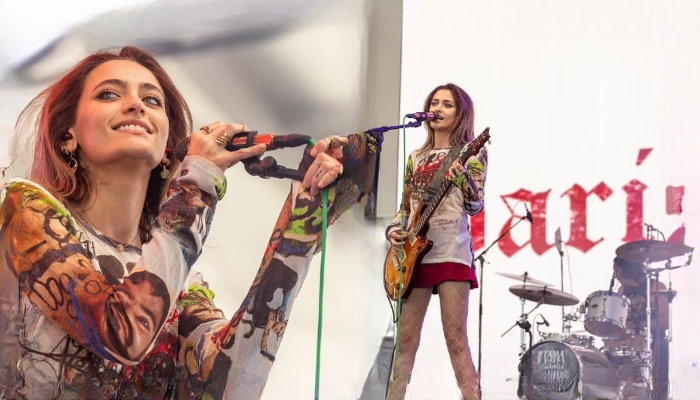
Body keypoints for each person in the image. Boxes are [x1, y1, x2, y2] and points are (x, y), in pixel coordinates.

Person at [0, 46, 380, 399]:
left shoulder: (178, 281)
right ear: (67, 136)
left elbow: (231, 386)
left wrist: (300, 225)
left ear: (168, 151)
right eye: (109, 94)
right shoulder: (22, 209)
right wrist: (197, 183)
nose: (135, 105)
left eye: (152, 100)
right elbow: (122, 332)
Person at [384, 83, 487, 400]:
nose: (438, 109)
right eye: (434, 103)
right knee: (405, 342)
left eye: (447, 104)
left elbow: (475, 206)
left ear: (460, 114)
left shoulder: (472, 153)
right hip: (414, 255)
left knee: (456, 339)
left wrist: (463, 178)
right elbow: (406, 207)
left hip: (451, 251)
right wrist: (394, 230)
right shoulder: (416, 157)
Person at [612, 257, 670, 400]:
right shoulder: (622, 290)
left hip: (654, 343)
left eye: (617, 271)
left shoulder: (656, 286)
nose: (616, 276)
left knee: (658, 388)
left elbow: (664, 322)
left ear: (627, 270)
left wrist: (639, 324)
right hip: (629, 345)